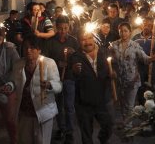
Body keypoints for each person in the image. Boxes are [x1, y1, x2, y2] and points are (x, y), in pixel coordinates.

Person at [12, 34, 62, 144]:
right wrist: (9, 86)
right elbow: (14, 83)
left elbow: (58, 86)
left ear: (39, 50)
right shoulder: (18, 64)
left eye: (32, 47)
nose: (28, 50)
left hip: (43, 112)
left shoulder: (49, 63)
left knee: (41, 141)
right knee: (25, 140)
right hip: (24, 112)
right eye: (25, 47)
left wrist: (49, 85)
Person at [68, 28, 114, 144]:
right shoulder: (75, 57)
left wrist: (113, 74)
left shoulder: (104, 52)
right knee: (86, 135)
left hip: (101, 100)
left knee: (108, 125)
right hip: (83, 103)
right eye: (83, 39)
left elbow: (113, 69)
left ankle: (102, 139)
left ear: (94, 38)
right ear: (79, 41)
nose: (87, 42)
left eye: (89, 38)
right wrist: (74, 71)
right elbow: (69, 76)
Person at [109, 22, 155, 129]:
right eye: (121, 31)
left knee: (130, 105)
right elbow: (108, 61)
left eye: (125, 31)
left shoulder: (135, 45)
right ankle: (124, 120)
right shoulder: (113, 45)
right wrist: (111, 70)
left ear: (130, 32)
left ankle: (128, 125)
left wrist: (151, 58)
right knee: (122, 103)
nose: (123, 33)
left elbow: (144, 58)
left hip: (132, 80)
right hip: (119, 80)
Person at [44, 15, 79, 143]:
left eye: (65, 28)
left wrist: (72, 56)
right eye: (60, 28)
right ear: (56, 28)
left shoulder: (74, 41)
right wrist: (57, 63)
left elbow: (78, 58)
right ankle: (61, 128)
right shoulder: (50, 41)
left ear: (69, 27)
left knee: (69, 106)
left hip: (69, 77)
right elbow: (45, 59)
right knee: (57, 105)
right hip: (55, 78)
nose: (63, 31)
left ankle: (69, 131)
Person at [0, 25, 20, 144]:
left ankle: (14, 141)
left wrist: (1, 82)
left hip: (7, 88)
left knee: (10, 119)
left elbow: (17, 69)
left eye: (0, 35)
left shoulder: (9, 49)